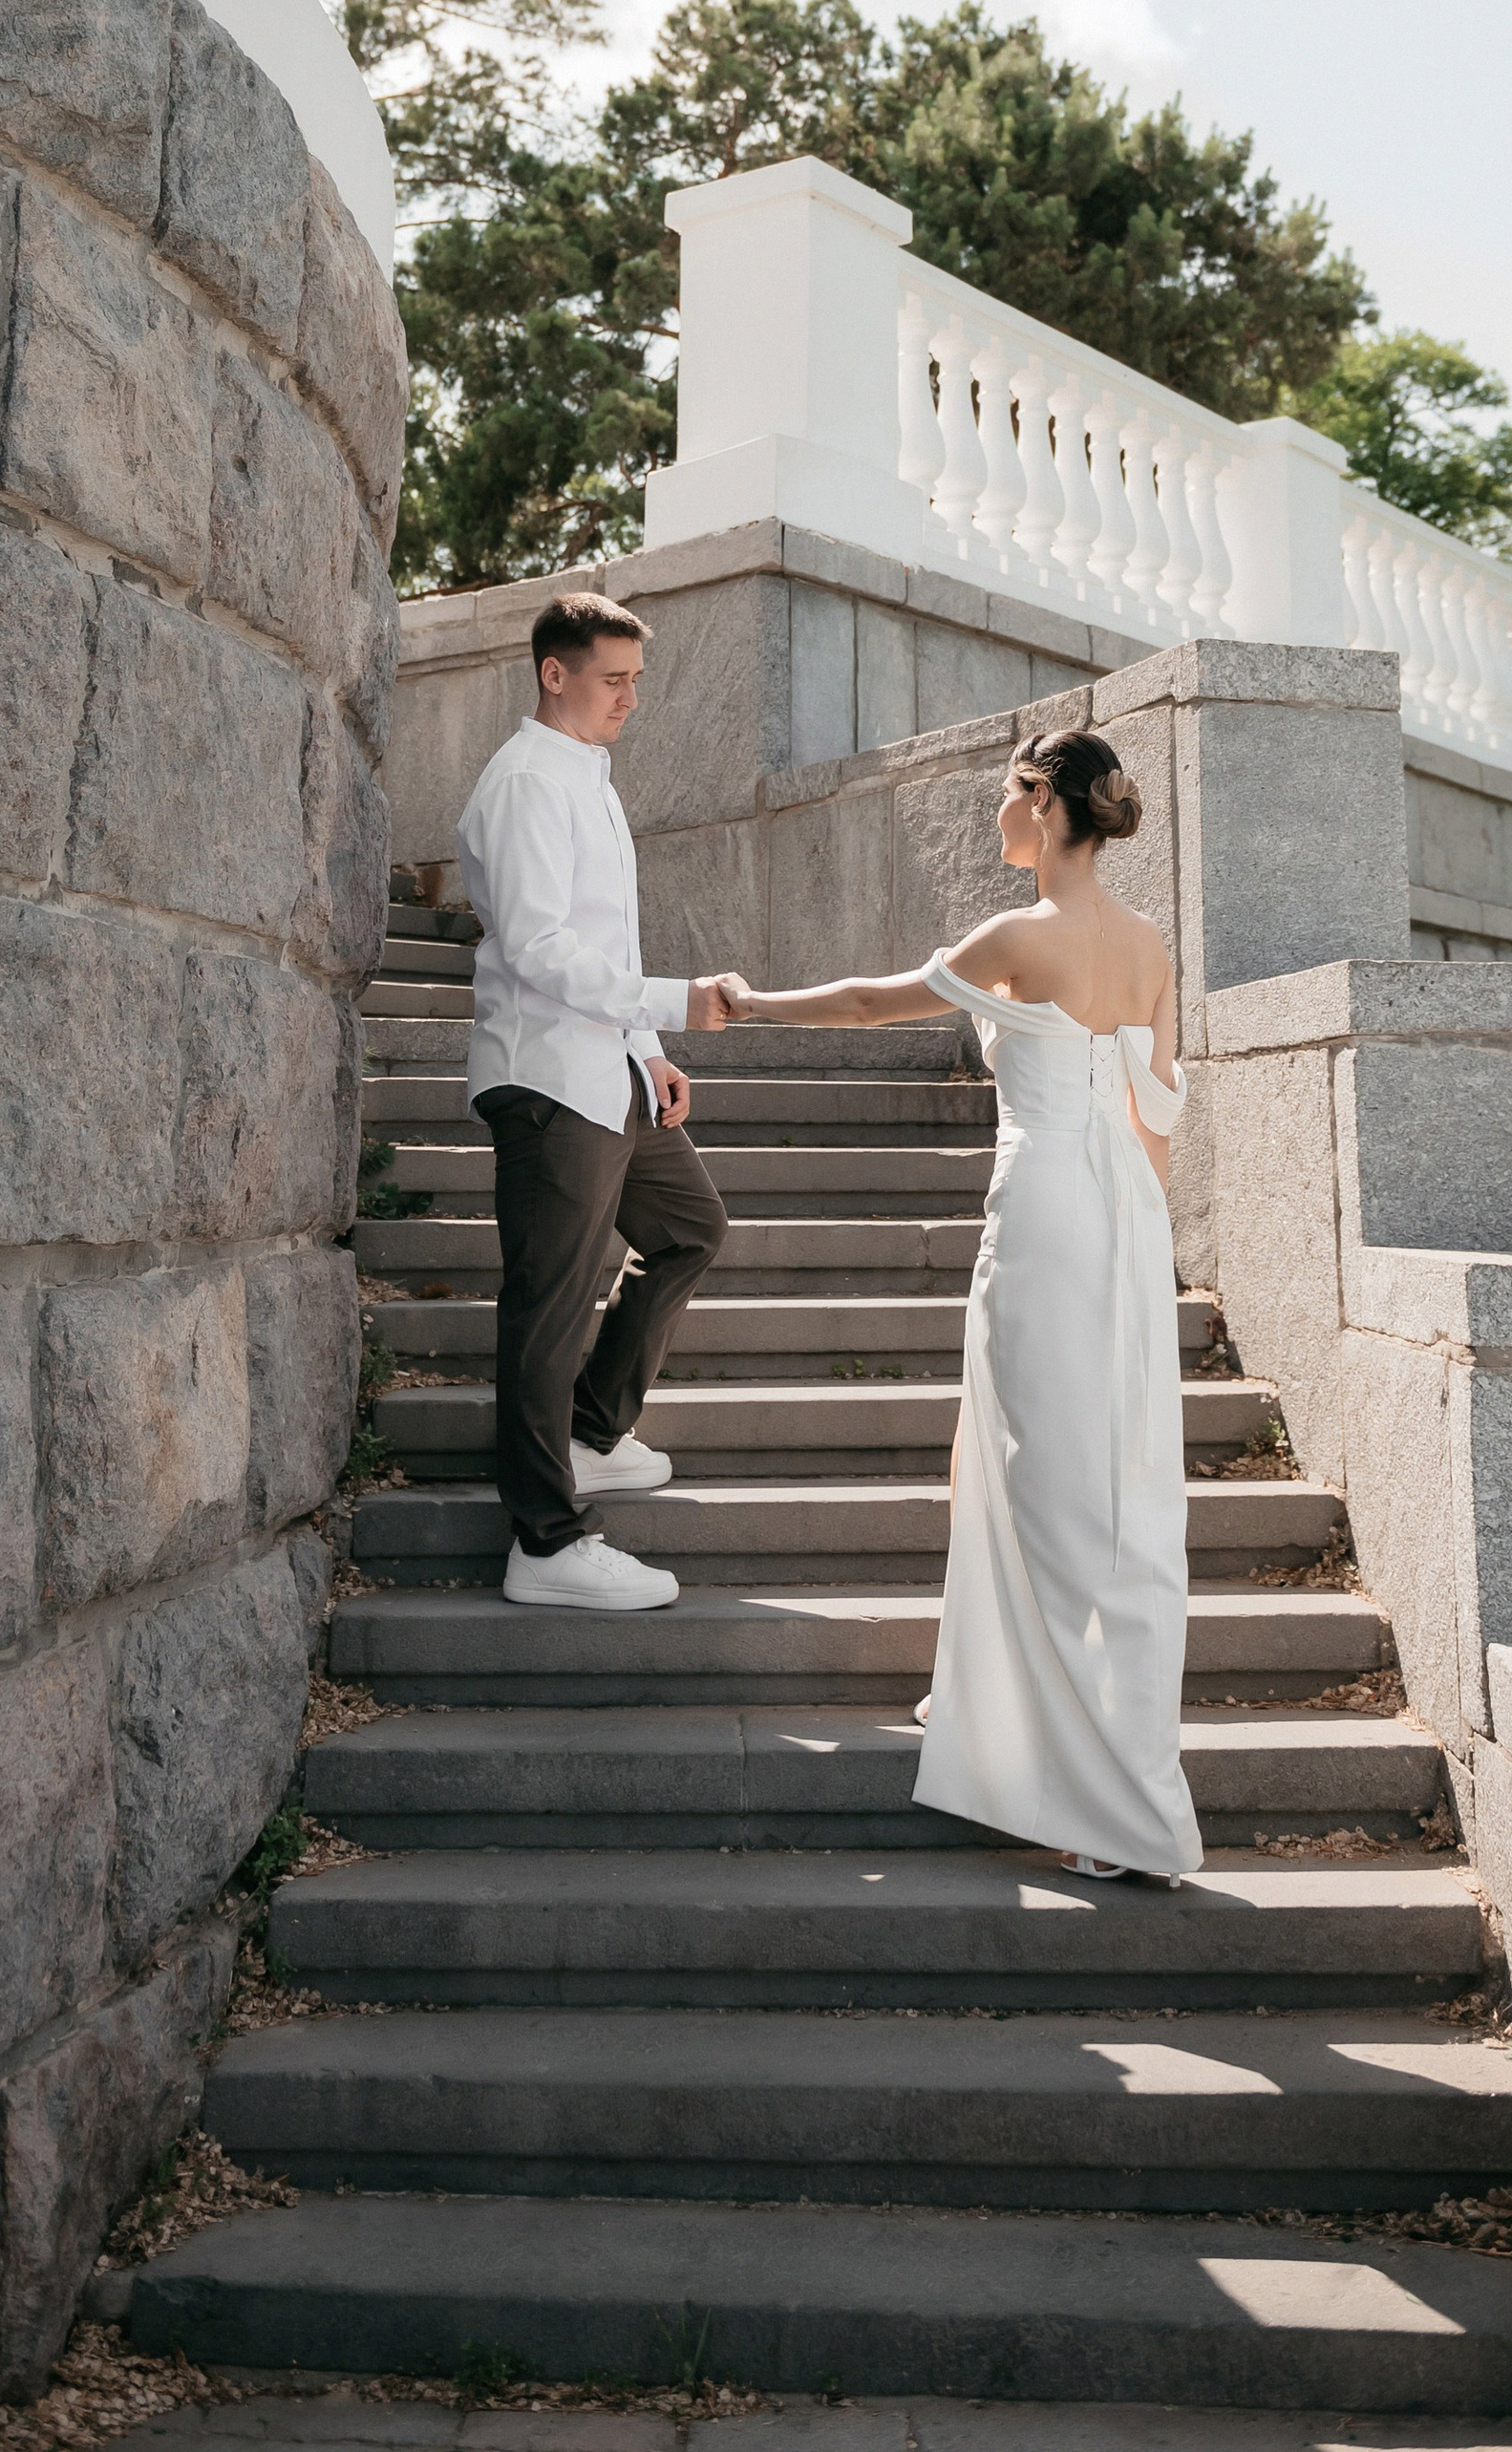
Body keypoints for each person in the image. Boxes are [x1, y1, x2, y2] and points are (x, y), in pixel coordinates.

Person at [714, 725, 1203, 1882]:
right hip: (1127, 1214)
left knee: (1047, 1484)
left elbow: (868, 1003)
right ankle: (1013, 1719)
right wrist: (1148, 1248)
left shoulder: (1018, 934)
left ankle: (1095, 1799)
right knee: (1104, 1476)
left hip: (1043, 1207)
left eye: (1006, 794)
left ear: (1043, 802)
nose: (996, 813)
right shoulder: (1147, 944)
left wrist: (750, 1002)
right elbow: (1161, 1112)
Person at [455, 590, 734, 1614]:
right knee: (549, 1306)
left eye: (635, 680)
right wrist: (669, 1001)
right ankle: (545, 1538)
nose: (629, 698)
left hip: (606, 1069)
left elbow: (600, 942)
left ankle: (588, 1432)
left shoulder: (588, 776)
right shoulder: (529, 778)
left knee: (691, 1230)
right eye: (612, 679)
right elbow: (535, 947)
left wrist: (648, 1046)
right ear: (554, 672)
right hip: (546, 1081)